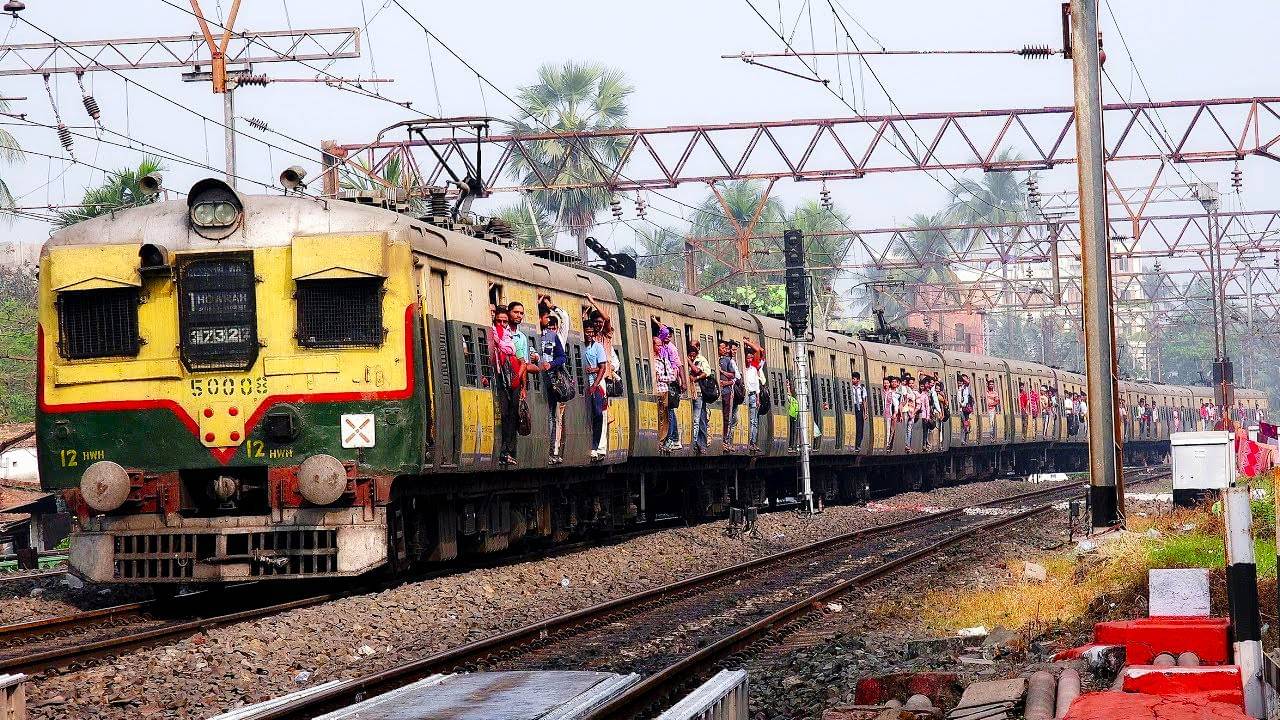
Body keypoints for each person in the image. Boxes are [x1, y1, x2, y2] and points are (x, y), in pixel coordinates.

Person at [487, 307, 521, 465]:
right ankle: (503, 451)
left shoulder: (510, 336)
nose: (501, 324)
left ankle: (508, 450)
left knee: (511, 415)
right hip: (499, 379)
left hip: (511, 380)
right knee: (504, 414)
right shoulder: (491, 333)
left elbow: (514, 352)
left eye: (504, 321)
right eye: (499, 321)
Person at [538, 300, 570, 464]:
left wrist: (550, 363)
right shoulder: (537, 336)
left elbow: (560, 357)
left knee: (552, 417)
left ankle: (551, 451)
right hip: (538, 381)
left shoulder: (550, 337)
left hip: (550, 381)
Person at [654, 325, 683, 452]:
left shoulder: (664, 359)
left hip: (664, 391)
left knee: (665, 417)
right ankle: (666, 440)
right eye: (658, 345)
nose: (660, 347)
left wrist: (660, 378)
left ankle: (668, 439)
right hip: (655, 391)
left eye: (661, 345)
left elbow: (672, 376)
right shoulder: (652, 359)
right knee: (660, 417)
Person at [583, 322, 609, 461]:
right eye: (587, 332)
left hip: (596, 385)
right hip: (584, 384)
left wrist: (595, 384)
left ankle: (596, 446)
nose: (590, 335)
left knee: (598, 414)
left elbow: (603, 368)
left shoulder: (598, 347)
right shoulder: (582, 346)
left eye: (592, 332)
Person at [688, 341, 714, 455]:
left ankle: (696, 443)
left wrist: (697, 377)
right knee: (694, 419)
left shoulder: (701, 360)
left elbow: (705, 372)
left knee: (697, 419)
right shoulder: (685, 358)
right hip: (688, 393)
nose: (693, 356)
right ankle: (694, 442)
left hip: (698, 392)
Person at [742, 336, 766, 453]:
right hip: (746, 394)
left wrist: (747, 342)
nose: (750, 360)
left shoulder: (754, 367)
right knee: (749, 420)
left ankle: (752, 442)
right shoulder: (744, 368)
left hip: (753, 395)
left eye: (751, 358)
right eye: (748, 358)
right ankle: (749, 441)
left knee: (754, 420)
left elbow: (759, 350)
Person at [717, 340, 740, 452]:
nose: (725, 350)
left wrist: (722, 373)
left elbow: (733, 376)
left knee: (727, 416)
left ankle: (725, 440)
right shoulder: (715, 359)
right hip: (717, 392)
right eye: (723, 348)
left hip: (726, 391)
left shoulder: (728, 360)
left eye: (726, 348)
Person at [899, 375, 918, 452]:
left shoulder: (911, 391)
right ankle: (906, 444)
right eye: (909, 383)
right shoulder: (905, 389)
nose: (910, 384)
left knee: (909, 429)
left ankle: (908, 444)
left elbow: (914, 399)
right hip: (906, 411)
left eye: (912, 383)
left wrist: (913, 412)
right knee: (906, 429)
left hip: (911, 412)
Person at [851, 372, 867, 449]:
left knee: (860, 426)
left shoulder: (862, 388)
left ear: (858, 380)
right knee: (854, 425)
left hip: (859, 407)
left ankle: (858, 444)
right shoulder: (850, 387)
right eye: (852, 378)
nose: (852, 380)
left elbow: (864, 401)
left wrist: (865, 412)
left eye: (854, 379)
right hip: (853, 406)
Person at [883, 376, 900, 449]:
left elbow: (896, 404)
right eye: (884, 383)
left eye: (887, 383)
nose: (886, 384)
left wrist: (895, 413)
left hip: (888, 413)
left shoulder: (892, 393)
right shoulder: (882, 392)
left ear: (889, 384)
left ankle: (887, 444)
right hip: (882, 413)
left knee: (888, 429)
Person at [956, 374, 973, 443]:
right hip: (959, 409)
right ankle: (963, 437)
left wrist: (962, 405)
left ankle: (963, 439)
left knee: (963, 424)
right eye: (958, 381)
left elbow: (965, 399)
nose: (959, 383)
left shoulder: (964, 389)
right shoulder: (957, 388)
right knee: (962, 424)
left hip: (963, 409)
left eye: (961, 381)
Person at [786, 379, 799, 451]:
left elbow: (788, 396)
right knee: (792, 428)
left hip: (790, 413)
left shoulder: (790, 396)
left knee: (791, 427)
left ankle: (791, 444)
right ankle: (791, 444)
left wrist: (787, 386)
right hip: (793, 414)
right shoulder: (793, 397)